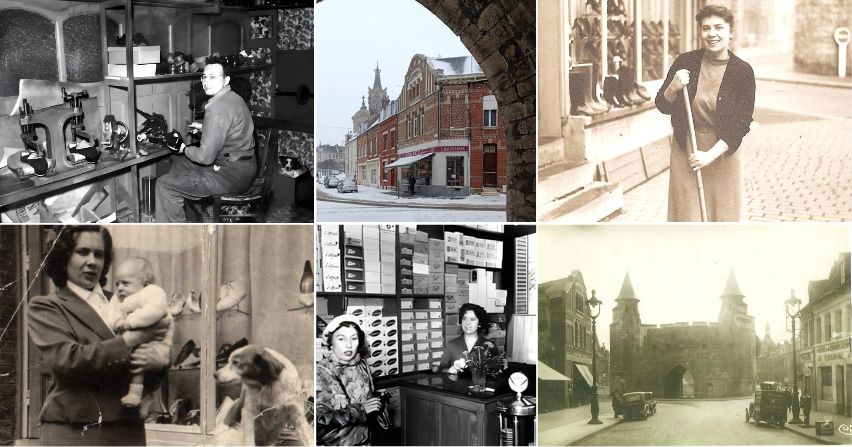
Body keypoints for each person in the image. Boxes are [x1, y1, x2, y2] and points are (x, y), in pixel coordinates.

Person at [27, 226, 170, 445]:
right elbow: (69, 361)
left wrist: (155, 363)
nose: (93, 261)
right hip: (75, 431)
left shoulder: (126, 302)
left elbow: (152, 357)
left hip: (128, 428)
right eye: (82, 252)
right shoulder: (46, 307)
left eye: (99, 254)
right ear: (64, 256)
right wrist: (132, 340)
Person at [655, 4, 755, 222]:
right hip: (687, 151)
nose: (712, 34)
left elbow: (742, 123)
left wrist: (709, 155)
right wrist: (673, 87)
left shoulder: (742, 71)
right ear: (699, 32)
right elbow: (663, 105)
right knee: (686, 216)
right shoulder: (685, 62)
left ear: (731, 32)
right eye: (705, 28)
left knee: (723, 217)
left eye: (719, 27)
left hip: (723, 152)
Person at [155, 57, 257, 222]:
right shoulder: (233, 97)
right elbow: (233, 128)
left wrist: (183, 148)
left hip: (232, 175)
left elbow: (205, 158)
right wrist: (205, 127)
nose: (206, 82)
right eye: (204, 76)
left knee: (164, 185)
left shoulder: (217, 108)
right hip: (244, 165)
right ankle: (195, 214)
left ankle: (179, 235)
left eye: (213, 77)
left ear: (226, 79)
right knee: (180, 164)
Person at [111, 257, 174, 409]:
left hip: (156, 344)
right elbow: (112, 314)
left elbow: (154, 311)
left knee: (140, 356)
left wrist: (130, 321)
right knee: (132, 358)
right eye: (117, 283)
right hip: (134, 343)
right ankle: (143, 398)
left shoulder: (153, 293)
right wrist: (117, 322)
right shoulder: (117, 298)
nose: (119, 287)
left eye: (125, 283)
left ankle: (137, 394)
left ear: (145, 283)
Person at [316, 315, 383, 445]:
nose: (349, 345)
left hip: (365, 439)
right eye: (341, 339)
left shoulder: (362, 364)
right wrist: (362, 410)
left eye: (354, 338)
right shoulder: (321, 371)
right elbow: (321, 419)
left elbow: (369, 399)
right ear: (330, 344)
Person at [439, 303, 500, 373]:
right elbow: (441, 370)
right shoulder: (451, 345)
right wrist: (449, 370)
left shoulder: (489, 346)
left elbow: (496, 371)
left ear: (479, 323)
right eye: (464, 319)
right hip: (458, 383)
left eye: (472, 319)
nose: (467, 323)